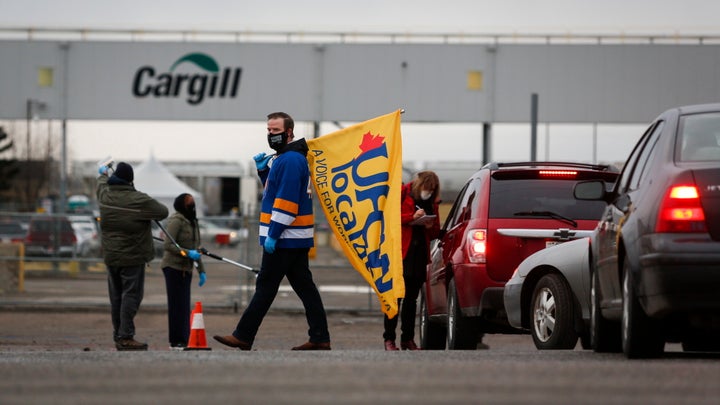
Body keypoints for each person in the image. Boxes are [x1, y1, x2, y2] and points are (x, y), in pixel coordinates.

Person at [213, 112, 331, 351]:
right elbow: (274, 190)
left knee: (265, 287)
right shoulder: (288, 158)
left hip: (285, 238)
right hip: (295, 238)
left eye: (275, 131)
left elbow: (286, 203)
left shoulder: (288, 160)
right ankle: (319, 337)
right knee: (305, 289)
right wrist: (263, 172)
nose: (270, 135)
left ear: (289, 132)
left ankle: (243, 335)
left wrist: (274, 234)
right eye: (268, 130)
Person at [96, 161, 169, 351]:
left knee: (117, 297)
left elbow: (101, 183)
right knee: (131, 296)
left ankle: (118, 335)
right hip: (132, 256)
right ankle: (126, 336)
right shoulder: (139, 199)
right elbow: (163, 212)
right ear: (130, 180)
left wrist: (102, 173)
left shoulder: (104, 195)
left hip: (111, 256)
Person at [384, 171, 441, 351]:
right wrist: (412, 218)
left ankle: (407, 339)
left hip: (419, 254)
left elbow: (435, 232)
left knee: (411, 300)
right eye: (426, 188)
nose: (428, 192)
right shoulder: (402, 193)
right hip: (402, 253)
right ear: (419, 185)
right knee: (395, 298)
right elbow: (390, 217)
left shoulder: (433, 202)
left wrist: (431, 226)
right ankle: (389, 339)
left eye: (432, 190)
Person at [160, 193, 206, 350]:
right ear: (181, 204)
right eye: (189, 200)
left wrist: (201, 270)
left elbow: (197, 248)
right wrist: (187, 253)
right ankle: (176, 340)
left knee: (184, 305)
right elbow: (168, 245)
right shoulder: (176, 221)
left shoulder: (193, 222)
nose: (192, 202)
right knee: (176, 305)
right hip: (173, 267)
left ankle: (185, 338)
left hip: (186, 269)